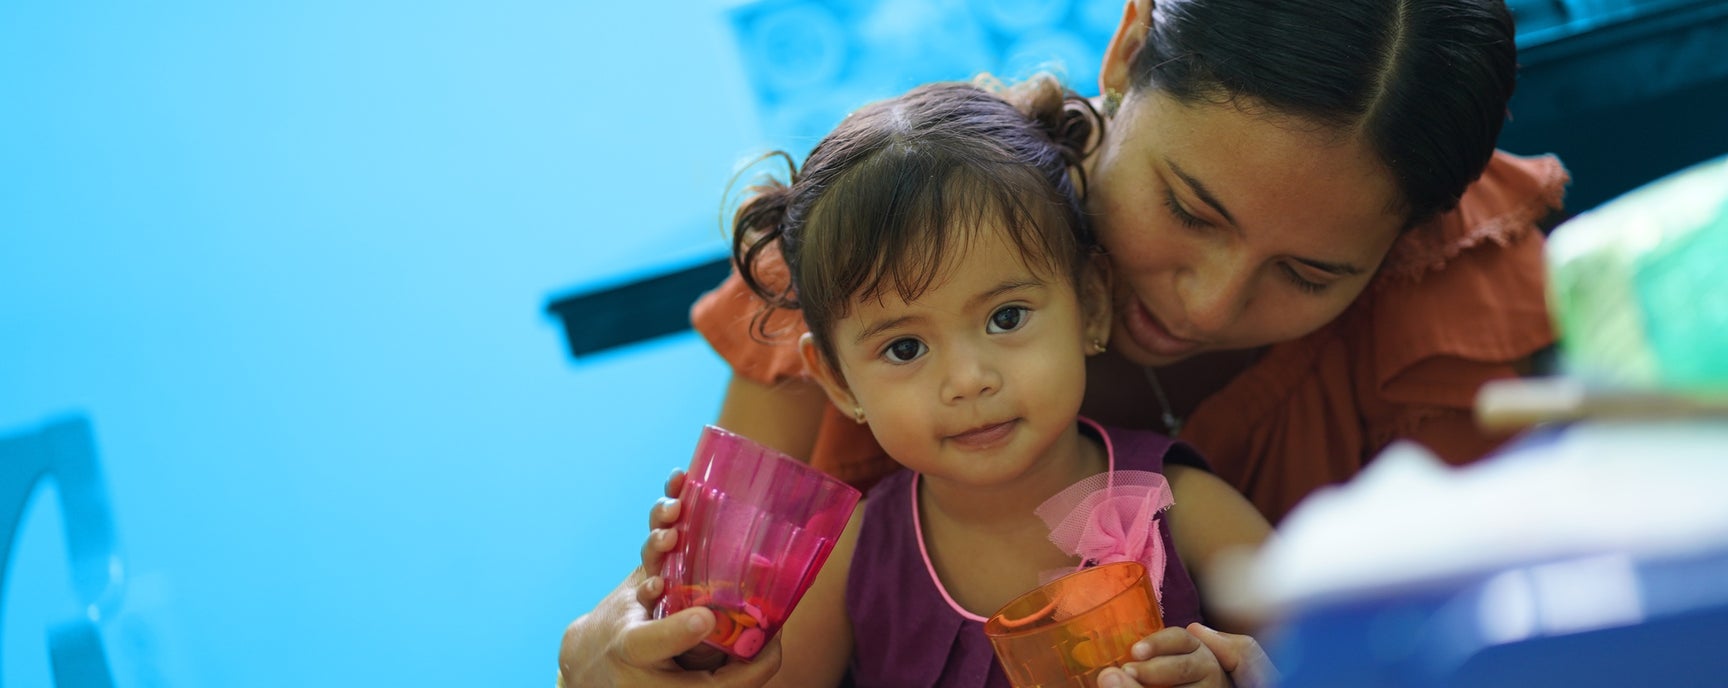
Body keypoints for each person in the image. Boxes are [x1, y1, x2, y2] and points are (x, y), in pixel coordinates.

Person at [564, 0, 1568, 682]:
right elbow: (704, 618)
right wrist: (618, 649)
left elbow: (1478, 648)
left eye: (1311, 274)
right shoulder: (877, 248)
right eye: (1189, 206)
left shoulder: (1441, 297)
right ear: (1128, 46)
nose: (1210, 305)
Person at [709, 76, 1272, 686]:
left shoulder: (1180, 507)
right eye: (905, 347)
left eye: (1006, 318)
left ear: (1090, 303)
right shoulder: (851, 557)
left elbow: (1346, 659)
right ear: (839, 381)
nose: (969, 380)